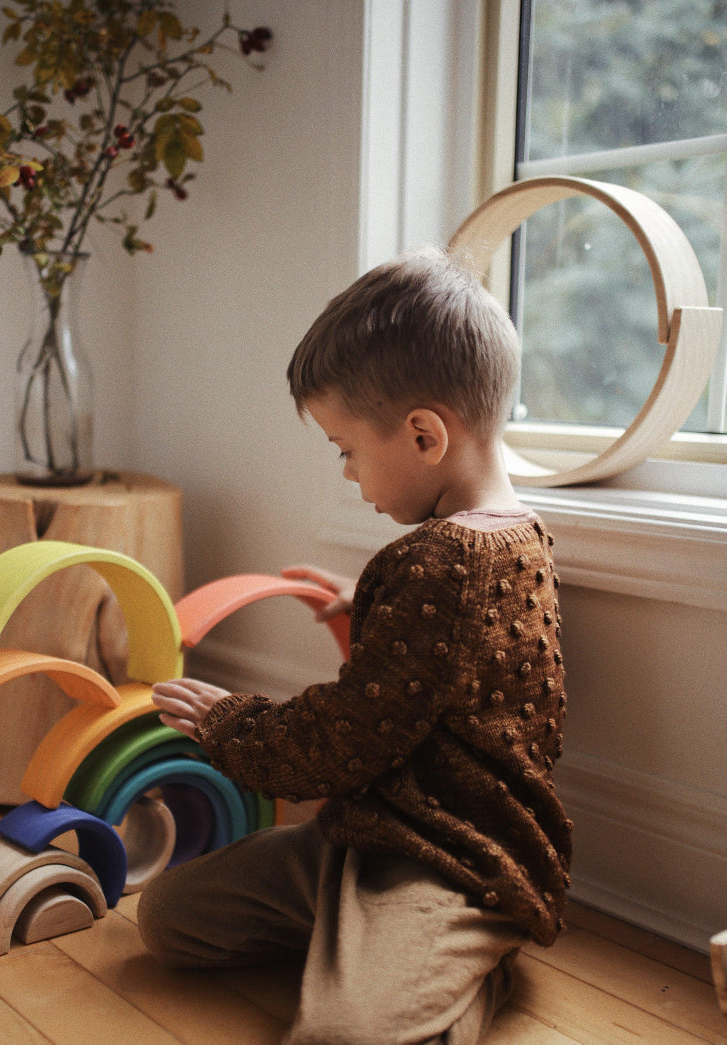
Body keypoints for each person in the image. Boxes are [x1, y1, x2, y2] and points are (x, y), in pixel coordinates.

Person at [139, 247, 572, 1045]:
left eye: (345, 447)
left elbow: (343, 736)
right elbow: (450, 657)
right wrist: (365, 603)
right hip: (367, 836)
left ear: (422, 435)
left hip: (453, 860)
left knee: (339, 1037)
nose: (346, 472)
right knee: (171, 918)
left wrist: (231, 722)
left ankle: (462, 962)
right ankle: (370, 950)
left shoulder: (441, 562)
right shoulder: (507, 535)